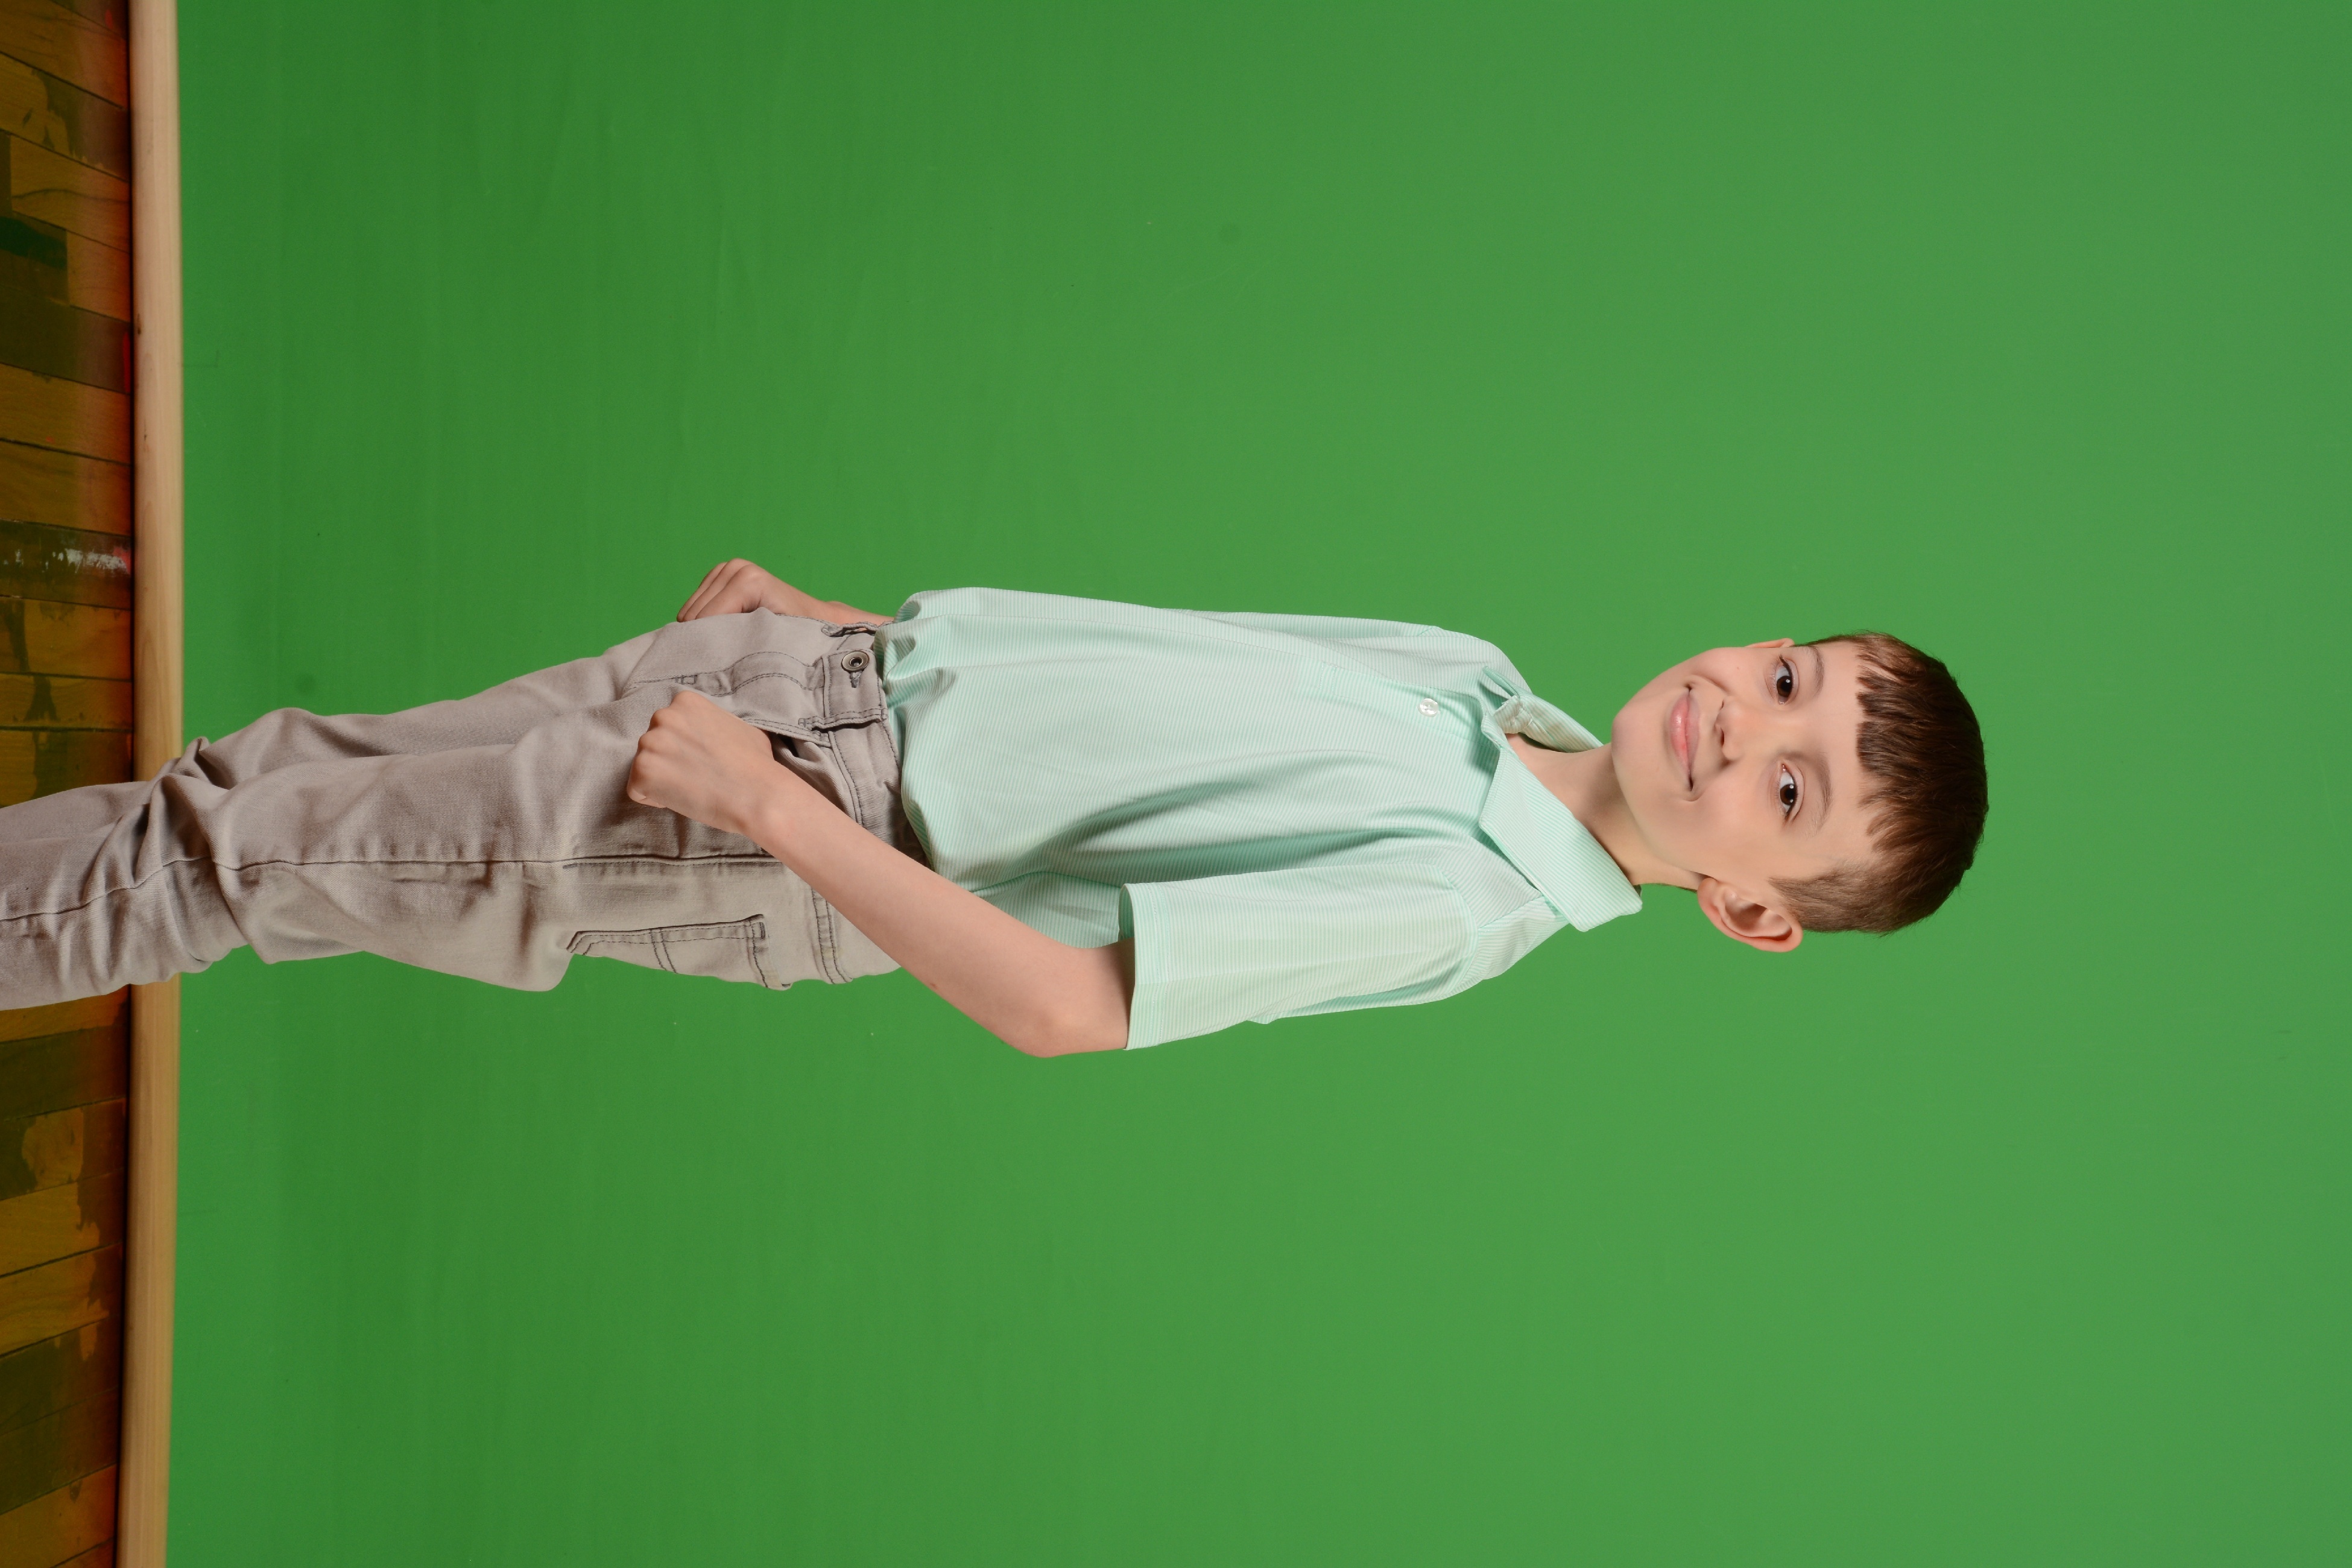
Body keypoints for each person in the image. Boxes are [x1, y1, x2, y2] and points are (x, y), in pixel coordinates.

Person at [0, 560, 1987, 1053]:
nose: (1739, 721)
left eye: (1787, 786)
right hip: (798, 701)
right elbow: (1122, 678)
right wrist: (845, 632)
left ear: (1753, 907)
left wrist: (772, 812)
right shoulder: (1469, 676)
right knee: (244, 795)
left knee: (225, 864)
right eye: (1786, 675)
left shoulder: (1463, 895)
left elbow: (1063, 1006)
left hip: (786, 815)